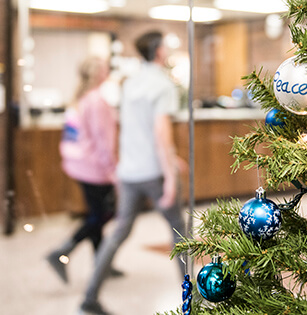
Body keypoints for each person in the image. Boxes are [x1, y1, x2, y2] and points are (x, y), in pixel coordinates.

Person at [79, 31, 186, 315]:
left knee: (118, 233)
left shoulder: (131, 83)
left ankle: (89, 298)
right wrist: (171, 177)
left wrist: (170, 158)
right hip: (153, 173)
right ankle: (194, 302)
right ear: (159, 52)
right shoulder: (163, 85)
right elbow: (161, 134)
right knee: (180, 233)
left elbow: (134, 129)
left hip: (129, 172)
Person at [47, 56, 121, 284]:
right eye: (104, 66)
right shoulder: (97, 101)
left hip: (80, 166)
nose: (108, 69)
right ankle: (62, 251)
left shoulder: (80, 98)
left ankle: (101, 263)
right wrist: (113, 171)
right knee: (103, 214)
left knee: (97, 214)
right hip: (95, 169)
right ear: (98, 72)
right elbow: (103, 141)